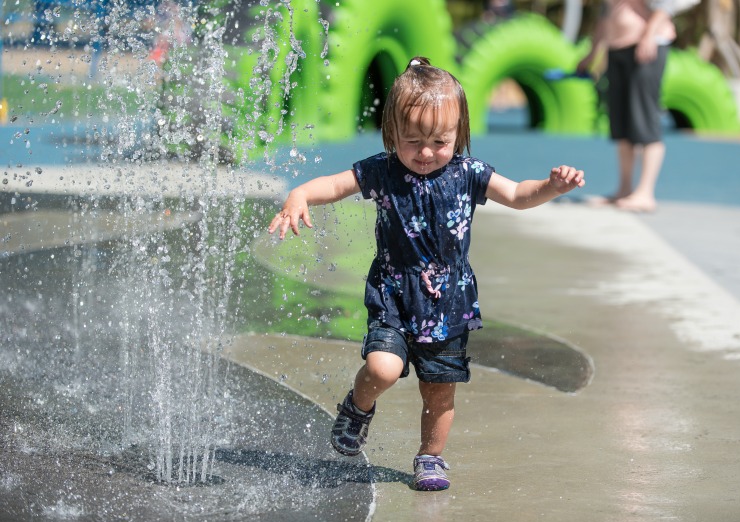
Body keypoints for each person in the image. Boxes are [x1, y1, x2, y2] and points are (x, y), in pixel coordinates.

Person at [267, 57, 585, 491]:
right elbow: (337, 185)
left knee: (439, 391)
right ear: (392, 133)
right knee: (381, 369)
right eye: (412, 140)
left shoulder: (469, 173)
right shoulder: (382, 170)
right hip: (393, 292)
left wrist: (552, 187)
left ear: (459, 134)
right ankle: (358, 408)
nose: (425, 152)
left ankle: (430, 457)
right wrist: (300, 193)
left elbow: (516, 194)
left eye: (439, 140)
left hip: (449, 300)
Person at [577, 0, 677, 212]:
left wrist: (649, 34)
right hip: (617, 48)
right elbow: (606, 14)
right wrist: (593, 53)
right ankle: (624, 189)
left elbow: (666, 4)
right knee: (620, 123)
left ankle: (645, 193)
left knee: (644, 119)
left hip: (646, 46)